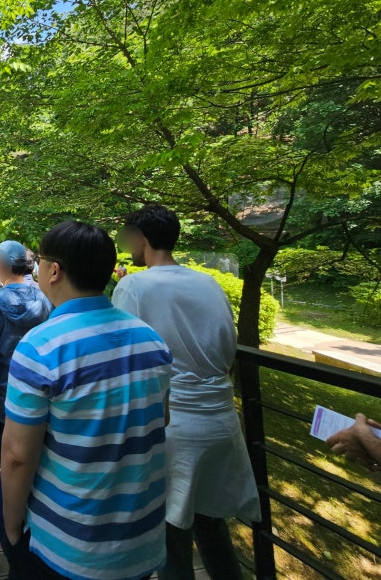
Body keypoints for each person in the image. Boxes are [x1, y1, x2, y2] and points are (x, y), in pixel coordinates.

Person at [2, 221, 173, 580]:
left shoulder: (41, 347)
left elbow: (18, 456)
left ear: (55, 270)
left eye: (41, 260)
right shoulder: (151, 339)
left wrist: (11, 522)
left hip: (68, 545)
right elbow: (162, 420)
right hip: (142, 540)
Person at [113, 205, 260, 580]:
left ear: (141, 239)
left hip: (172, 425)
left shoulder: (134, 284)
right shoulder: (207, 283)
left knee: (169, 536)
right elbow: (228, 351)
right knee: (210, 523)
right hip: (221, 422)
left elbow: (122, 355)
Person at [0, 239, 53, 546]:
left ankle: (11, 536)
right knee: (34, 464)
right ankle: (35, 530)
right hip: (39, 398)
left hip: (0, 402)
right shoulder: (47, 299)